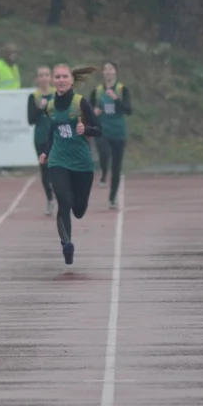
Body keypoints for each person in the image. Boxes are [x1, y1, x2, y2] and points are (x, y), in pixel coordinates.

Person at [39, 63, 103, 265]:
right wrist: (46, 152)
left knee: (78, 210)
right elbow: (52, 133)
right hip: (58, 160)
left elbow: (98, 129)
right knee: (63, 201)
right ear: (52, 81)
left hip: (82, 163)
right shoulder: (49, 106)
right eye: (57, 77)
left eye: (64, 77)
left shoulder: (80, 103)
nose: (60, 80)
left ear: (71, 80)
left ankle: (79, 203)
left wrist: (87, 130)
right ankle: (66, 244)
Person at [90, 60, 132, 209]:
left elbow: (128, 110)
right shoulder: (97, 91)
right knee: (104, 152)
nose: (108, 72)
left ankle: (112, 197)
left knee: (117, 167)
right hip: (102, 130)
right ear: (103, 73)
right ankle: (103, 171)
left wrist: (115, 99)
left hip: (118, 132)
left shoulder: (122, 90)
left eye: (111, 69)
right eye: (105, 69)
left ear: (115, 72)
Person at [27, 65, 55, 215]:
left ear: (50, 78)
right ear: (37, 79)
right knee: (45, 170)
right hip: (41, 138)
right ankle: (50, 199)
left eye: (46, 75)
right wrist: (39, 109)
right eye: (41, 75)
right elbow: (30, 120)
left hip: (57, 138)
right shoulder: (34, 97)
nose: (44, 78)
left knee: (57, 168)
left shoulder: (58, 95)